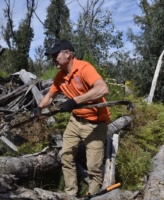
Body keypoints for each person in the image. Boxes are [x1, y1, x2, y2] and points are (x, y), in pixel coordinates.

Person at [30, 39, 110, 197]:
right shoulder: (60, 77)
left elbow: (103, 89)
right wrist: (39, 108)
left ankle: (92, 194)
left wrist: (75, 101)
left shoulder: (84, 68)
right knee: (65, 156)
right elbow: (50, 96)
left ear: (68, 54)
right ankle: (70, 194)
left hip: (95, 123)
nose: (53, 59)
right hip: (75, 121)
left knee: (93, 165)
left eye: (55, 55)